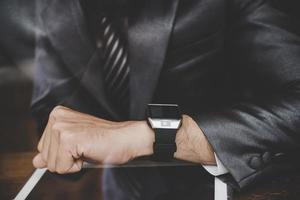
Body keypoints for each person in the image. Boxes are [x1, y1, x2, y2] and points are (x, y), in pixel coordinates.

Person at [31, 0, 300, 199]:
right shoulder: (51, 7)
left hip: (225, 185)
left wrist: (154, 135)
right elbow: (52, 117)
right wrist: (63, 143)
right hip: (117, 191)